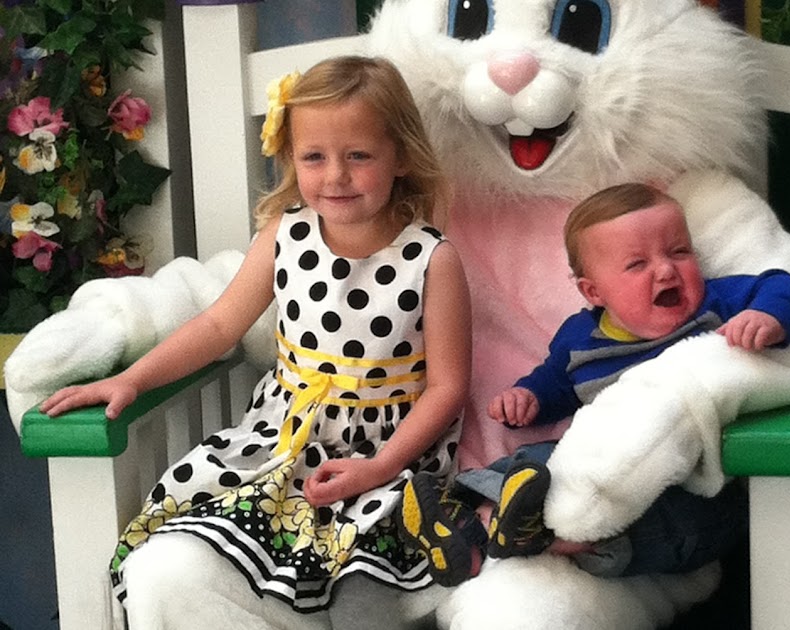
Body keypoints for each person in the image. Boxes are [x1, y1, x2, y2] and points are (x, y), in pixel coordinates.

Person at [39, 56, 470, 624]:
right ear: (291, 156)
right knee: (174, 561)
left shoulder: (431, 259)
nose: (335, 176)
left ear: (402, 156)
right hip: (281, 444)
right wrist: (132, 379)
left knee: (364, 592)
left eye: (359, 156)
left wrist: (380, 466)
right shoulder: (286, 235)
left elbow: (447, 387)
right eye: (314, 157)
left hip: (388, 455)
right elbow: (218, 326)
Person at [397, 182, 790, 582]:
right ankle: (471, 522)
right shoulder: (580, 340)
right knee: (540, 461)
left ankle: (523, 532)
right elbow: (555, 384)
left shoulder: (717, 305)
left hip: (689, 486)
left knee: (689, 518)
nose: (666, 269)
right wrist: (528, 397)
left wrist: (769, 316)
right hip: (594, 472)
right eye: (637, 264)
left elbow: (780, 284)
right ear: (593, 291)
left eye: (679, 252)